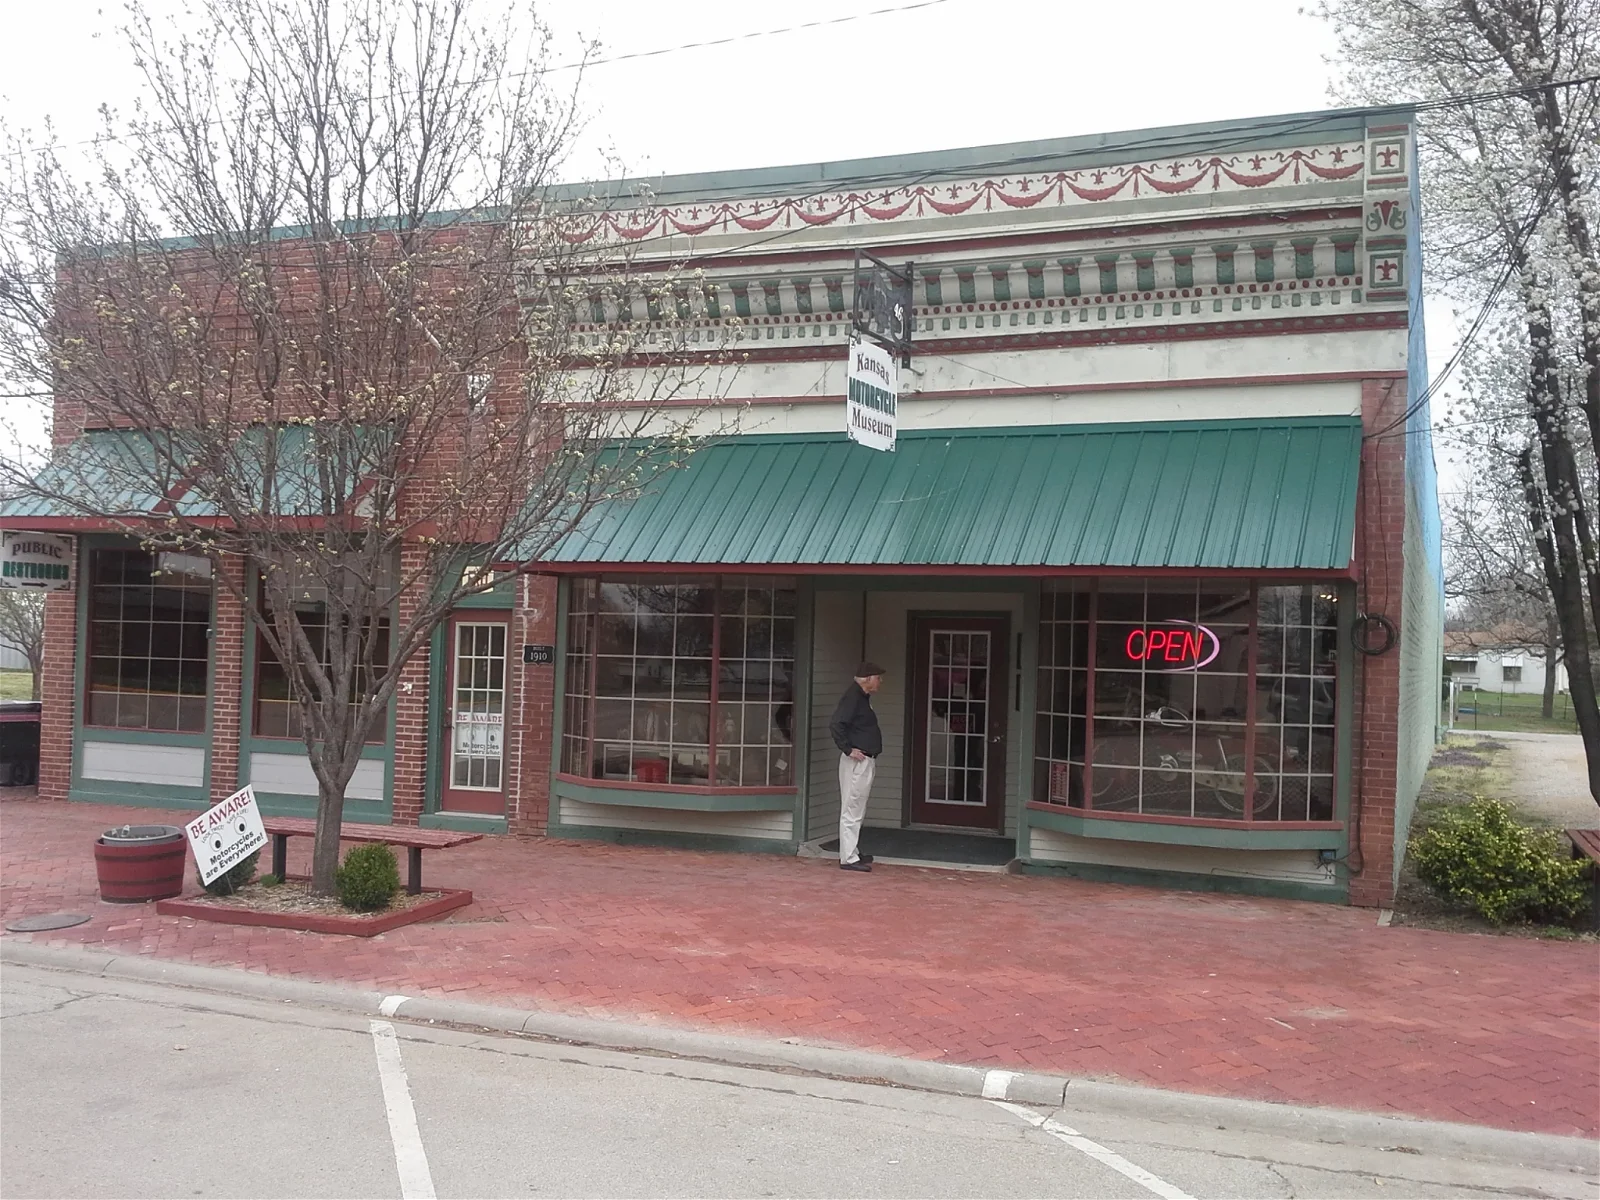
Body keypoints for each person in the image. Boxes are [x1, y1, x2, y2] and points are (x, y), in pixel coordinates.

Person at [830, 661, 885, 872]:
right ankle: (849, 858)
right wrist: (848, 749)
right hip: (857, 761)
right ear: (867, 679)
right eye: (878, 677)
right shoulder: (853, 697)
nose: (880, 681)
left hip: (865, 760)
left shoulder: (862, 698)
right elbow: (836, 724)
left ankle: (852, 849)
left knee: (857, 807)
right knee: (852, 808)